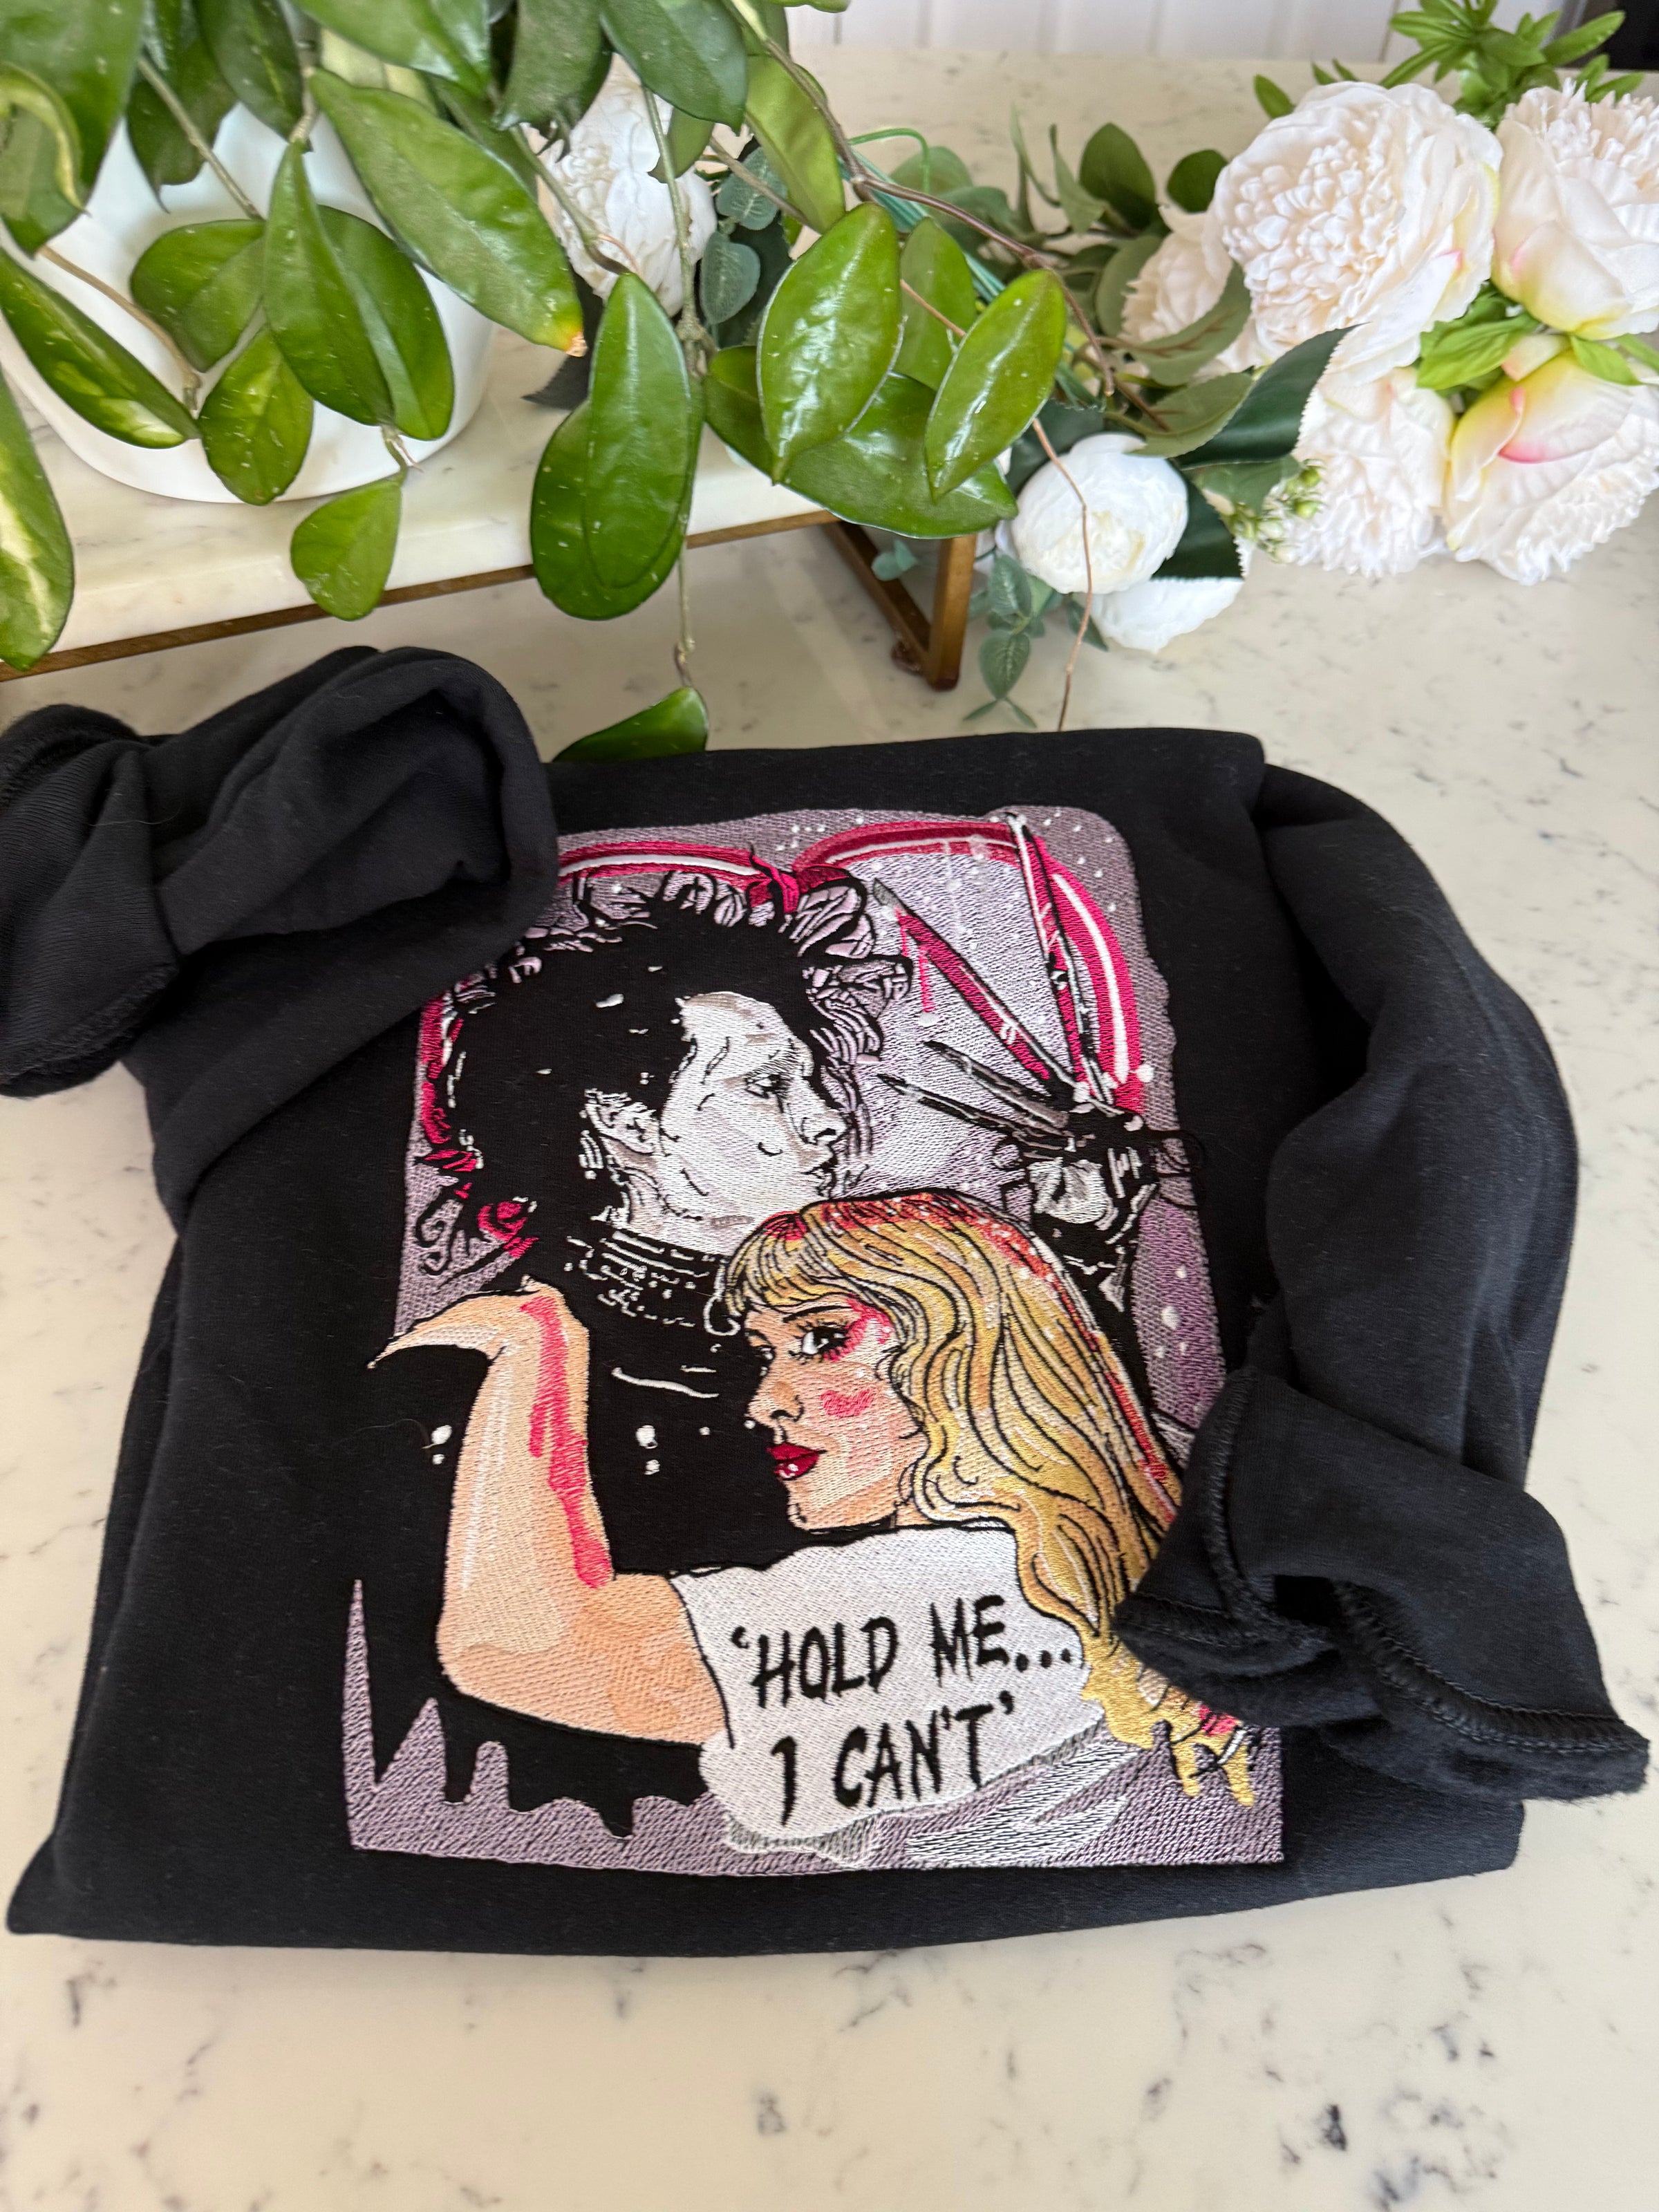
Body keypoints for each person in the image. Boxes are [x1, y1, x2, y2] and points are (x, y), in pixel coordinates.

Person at [380, 1190, 1253, 1862]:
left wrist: (535, 1353)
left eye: (822, 1339)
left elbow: (517, 1645)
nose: (766, 1401)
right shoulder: (1102, 1537)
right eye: (766, 1353)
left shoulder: (946, 1582)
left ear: (968, 1348)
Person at [366, 872, 904, 1827]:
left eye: (813, 1076)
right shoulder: (482, 1368)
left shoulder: (863, 1333)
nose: (826, 1117)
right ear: (627, 1122)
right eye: (768, 1086)